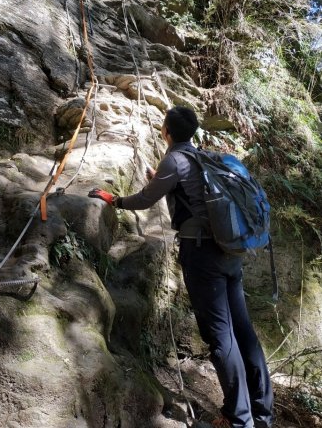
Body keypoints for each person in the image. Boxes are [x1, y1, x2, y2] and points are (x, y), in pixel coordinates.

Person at [88, 106, 274, 428]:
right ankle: (261, 413)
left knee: (221, 337)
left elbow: (145, 199)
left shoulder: (174, 159)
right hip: (230, 253)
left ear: (166, 132)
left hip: (203, 256)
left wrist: (115, 201)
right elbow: (183, 194)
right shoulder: (203, 158)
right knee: (244, 333)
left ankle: (239, 419)